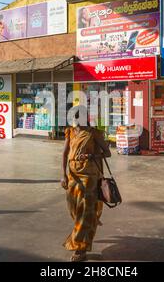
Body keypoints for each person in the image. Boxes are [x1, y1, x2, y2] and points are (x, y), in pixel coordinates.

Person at [61, 109, 111, 262]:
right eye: (76, 118)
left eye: (80, 118)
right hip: (73, 176)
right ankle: (92, 219)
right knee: (74, 209)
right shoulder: (70, 132)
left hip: (89, 177)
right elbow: (64, 154)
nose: (78, 122)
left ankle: (80, 249)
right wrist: (63, 175)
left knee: (84, 214)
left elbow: (107, 152)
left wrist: (91, 155)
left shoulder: (94, 133)